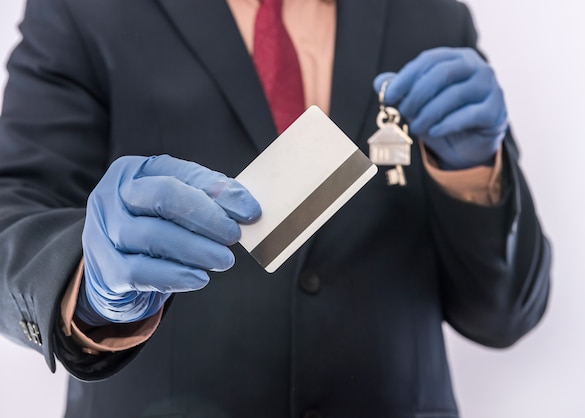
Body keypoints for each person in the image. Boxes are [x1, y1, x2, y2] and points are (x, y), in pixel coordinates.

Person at [0, 0, 551, 417]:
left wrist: (475, 174)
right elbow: (12, 217)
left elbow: (506, 314)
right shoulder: (81, 9)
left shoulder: (432, 16)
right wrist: (86, 284)